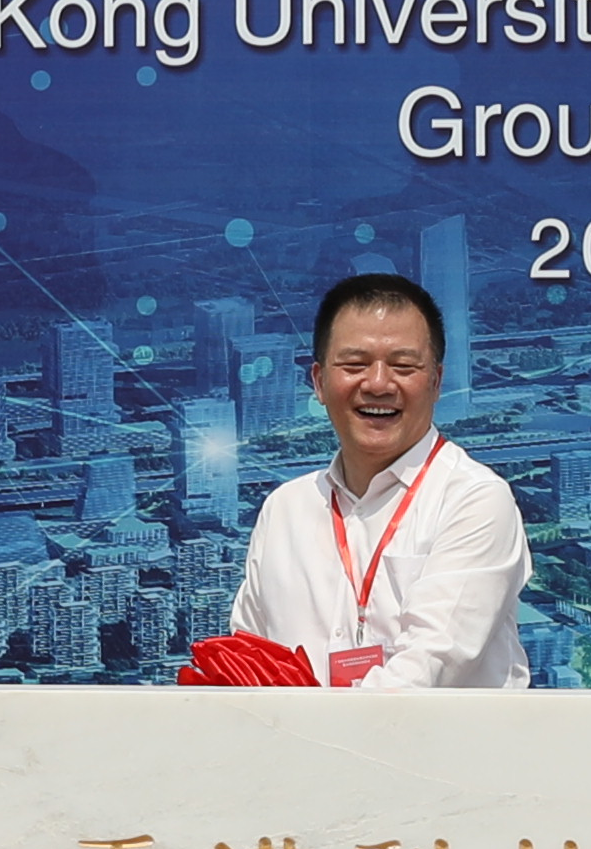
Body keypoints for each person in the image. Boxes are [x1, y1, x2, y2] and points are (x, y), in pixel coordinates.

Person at [225, 274, 531, 688]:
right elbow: (249, 666)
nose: (378, 384)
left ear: (437, 382)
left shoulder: (474, 500)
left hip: (440, 752)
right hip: (301, 750)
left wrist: (312, 741)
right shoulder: (286, 510)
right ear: (318, 381)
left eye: (404, 366)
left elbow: (430, 667)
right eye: (354, 365)